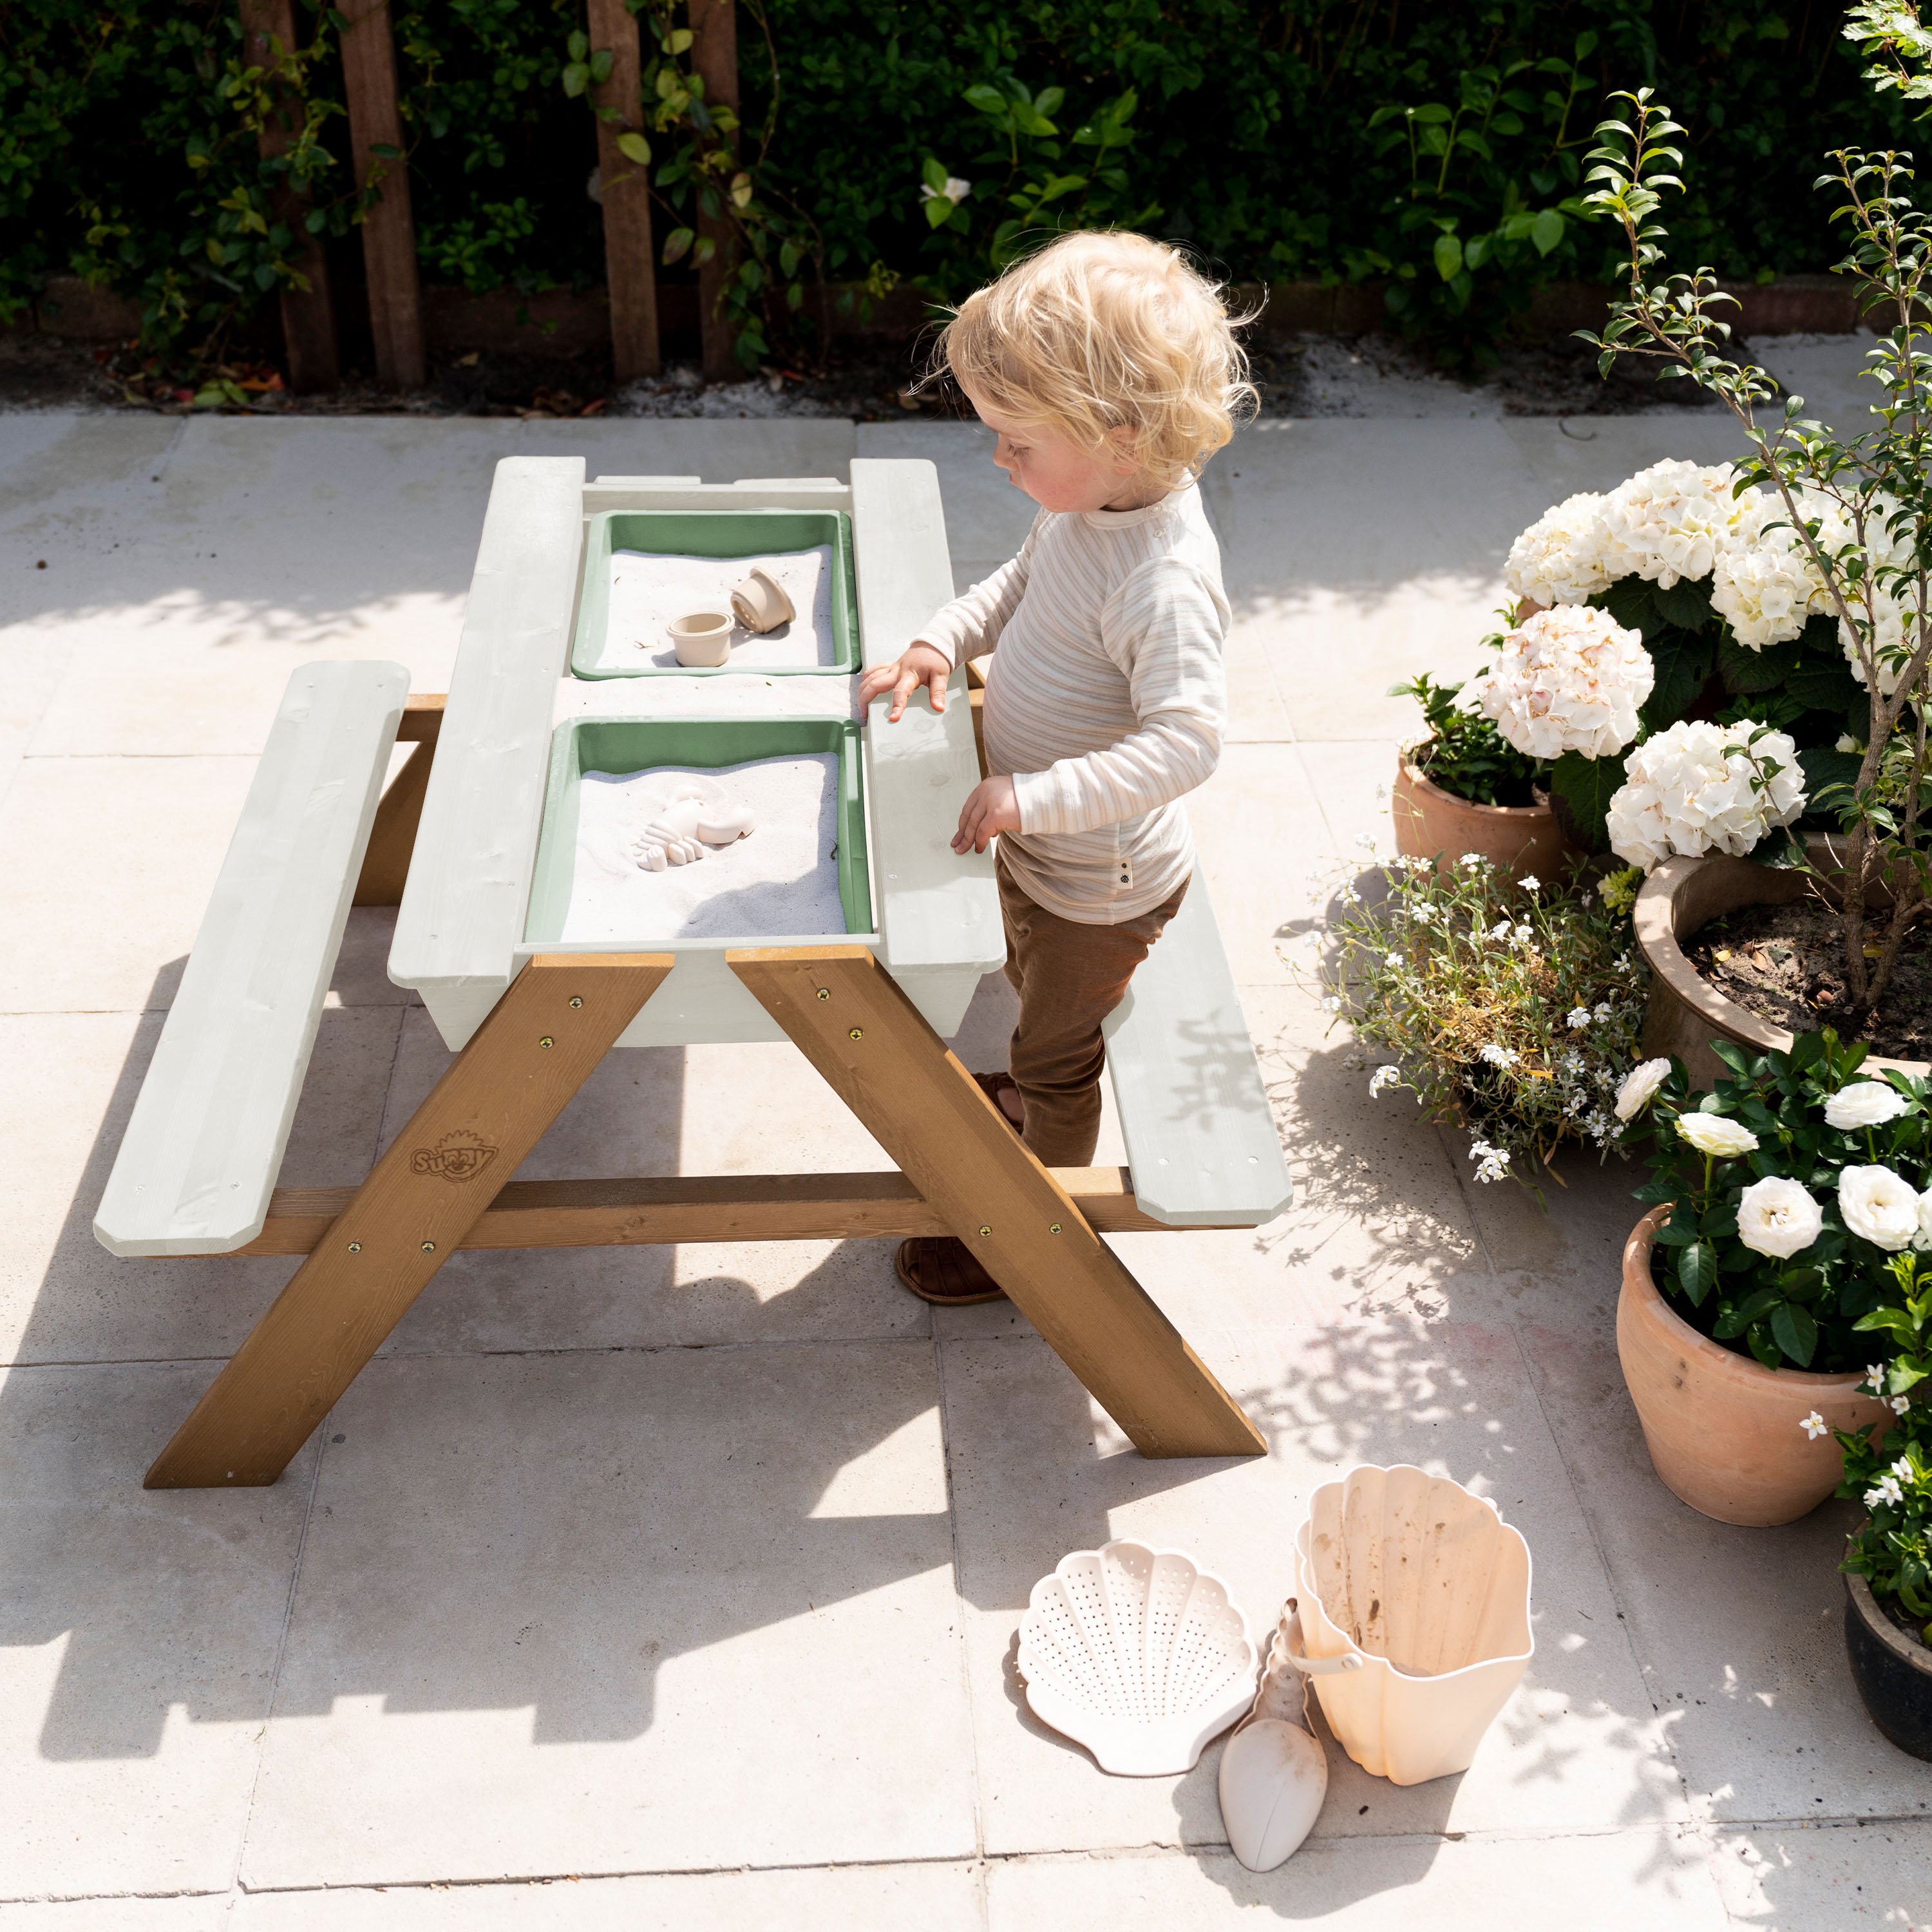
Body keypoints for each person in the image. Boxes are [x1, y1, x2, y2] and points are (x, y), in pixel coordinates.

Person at [857, 228, 1255, 1306]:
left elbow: (1188, 743)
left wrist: (1034, 797)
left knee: (1054, 1048)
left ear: (1117, 434)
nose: (1000, 461)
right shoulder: (1085, 511)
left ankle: (1025, 1229)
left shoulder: (1163, 579)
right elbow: (1013, 587)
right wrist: (942, 640)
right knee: (1018, 968)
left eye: (1016, 442)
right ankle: (1028, 1116)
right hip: (1046, 853)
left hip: (1101, 891)